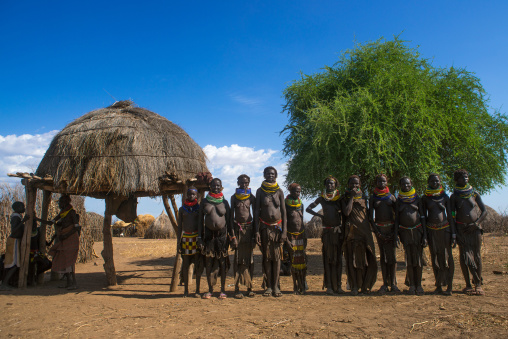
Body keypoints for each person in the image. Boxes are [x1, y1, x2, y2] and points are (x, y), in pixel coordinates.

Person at [450, 169, 487, 296]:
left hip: (475, 229)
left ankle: (478, 284)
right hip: (462, 229)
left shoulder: (474, 194)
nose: (465, 178)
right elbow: (452, 215)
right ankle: (467, 284)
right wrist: (454, 233)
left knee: (476, 255)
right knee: (464, 256)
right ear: (456, 180)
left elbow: (484, 211)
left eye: (466, 176)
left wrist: (476, 224)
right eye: (461, 177)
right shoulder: (454, 197)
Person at [306, 176, 344, 295]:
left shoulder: (340, 199)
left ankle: (338, 286)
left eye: (332, 184)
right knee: (328, 259)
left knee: (338, 259)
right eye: (327, 183)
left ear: (335, 185)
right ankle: (329, 287)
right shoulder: (322, 199)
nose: (329, 186)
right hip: (327, 232)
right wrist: (322, 216)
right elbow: (308, 208)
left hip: (338, 232)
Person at [198, 178, 235, 299]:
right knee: (208, 263)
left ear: (221, 187)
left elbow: (229, 221)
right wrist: (199, 237)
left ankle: (223, 290)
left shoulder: (224, 202)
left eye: (218, 185)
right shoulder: (204, 202)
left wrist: (232, 236)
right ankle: (210, 289)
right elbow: (200, 221)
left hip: (222, 236)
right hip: (208, 237)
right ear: (210, 186)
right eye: (214, 185)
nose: (216, 187)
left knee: (222, 263)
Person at [341, 175, 377, 295]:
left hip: (364, 232)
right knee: (352, 260)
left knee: (366, 259)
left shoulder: (365, 197)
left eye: (357, 184)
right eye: (352, 184)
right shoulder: (344, 198)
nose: (354, 186)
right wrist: (351, 197)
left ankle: (365, 286)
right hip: (352, 233)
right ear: (348, 185)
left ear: (360, 185)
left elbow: (368, 215)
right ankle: (354, 286)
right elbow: (346, 212)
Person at [255, 166, 287, 297]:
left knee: (277, 258)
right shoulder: (260, 191)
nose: (270, 176)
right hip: (264, 228)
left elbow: (284, 213)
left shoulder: (279, 191)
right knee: (267, 258)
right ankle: (268, 286)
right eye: (268, 174)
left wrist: (284, 231)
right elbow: (256, 211)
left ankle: (276, 286)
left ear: (276, 175)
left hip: (277, 229)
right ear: (264, 175)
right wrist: (256, 231)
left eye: (273, 174)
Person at [423, 173, 456, 296]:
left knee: (447, 257)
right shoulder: (425, 198)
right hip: (432, 231)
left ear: (440, 182)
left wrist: (453, 234)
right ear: (428, 183)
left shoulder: (445, 197)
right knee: (435, 257)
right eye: (432, 181)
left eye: (437, 181)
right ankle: (438, 285)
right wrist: (425, 235)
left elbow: (450, 217)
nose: (435, 183)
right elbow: (424, 217)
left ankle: (450, 286)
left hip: (445, 230)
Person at [39, 195, 81, 290]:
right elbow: (51, 222)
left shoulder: (71, 213)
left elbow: (76, 227)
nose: (59, 204)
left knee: (70, 261)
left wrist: (66, 235)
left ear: (66, 202)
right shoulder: (62, 213)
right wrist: (37, 219)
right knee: (64, 259)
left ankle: (74, 283)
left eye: (60, 202)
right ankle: (69, 282)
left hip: (71, 238)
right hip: (64, 238)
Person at [395, 177, 427, 296]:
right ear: (400, 186)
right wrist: (396, 235)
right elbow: (397, 219)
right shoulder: (398, 201)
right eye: (403, 184)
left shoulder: (417, 199)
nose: (406, 186)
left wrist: (425, 235)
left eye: (408, 184)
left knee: (418, 260)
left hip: (417, 232)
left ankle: (419, 285)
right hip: (405, 233)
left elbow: (423, 216)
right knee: (409, 259)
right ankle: (412, 285)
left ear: (411, 184)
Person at [368, 173, 399, 294]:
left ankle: (394, 284)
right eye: (379, 182)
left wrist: (395, 233)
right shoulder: (373, 198)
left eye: (384, 181)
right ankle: (385, 284)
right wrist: (377, 232)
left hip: (391, 230)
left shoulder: (392, 197)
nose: (382, 184)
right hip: (379, 230)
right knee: (383, 257)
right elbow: (371, 217)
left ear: (387, 183)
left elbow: (397, 217)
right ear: (376, 183)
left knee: (392, 257)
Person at [230, 174, 256, 299]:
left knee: (250, 259)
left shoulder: (251, 197)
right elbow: (231, 218)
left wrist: (255, 233)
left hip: (249, 230)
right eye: (241, 182)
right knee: (237, 259)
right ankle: (237, 288)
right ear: (238, 182)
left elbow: (256, 215)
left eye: (246, 183)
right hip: (237, 230)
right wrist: (233, 236)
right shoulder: (233, 198)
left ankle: (250, 287)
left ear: (249, 183)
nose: (244, 184)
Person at [177, 187, 205, 298]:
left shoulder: (199, 209)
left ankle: (197, 290)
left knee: (197, 265)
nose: (191, 196)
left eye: (193, 194)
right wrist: (178, 242)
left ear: (197, 196)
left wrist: (200, 238)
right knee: (186, 265)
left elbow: (201, 224)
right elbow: (180, 227)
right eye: (189, 194)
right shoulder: (182, 209)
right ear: (186, 196)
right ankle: (186, 291)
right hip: (186, 238)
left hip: (196, 238)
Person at [1, 201, 29, 290]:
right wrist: (23, 221)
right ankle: (4, 284)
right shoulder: (16, 217)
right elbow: (14, 230)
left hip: (15, 241)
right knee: (14, 264)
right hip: (14, 241)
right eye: (22, 207)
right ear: (17, 208)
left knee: (13, 264)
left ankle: (5, 283)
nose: (24, 208)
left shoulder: (17, 217)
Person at [285, 183, 307, 295]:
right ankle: (295, 286)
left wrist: (305, 235)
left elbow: (301, 219)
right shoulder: (285, 203)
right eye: (295, 191)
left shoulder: (301, 203)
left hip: (301, 234)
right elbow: (284, 220)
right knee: (293, 260)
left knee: (302, 261)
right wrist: (285, 237)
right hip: (290, 235)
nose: (297, 193)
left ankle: (302, 285)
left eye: (298, 191)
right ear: (290, 191)